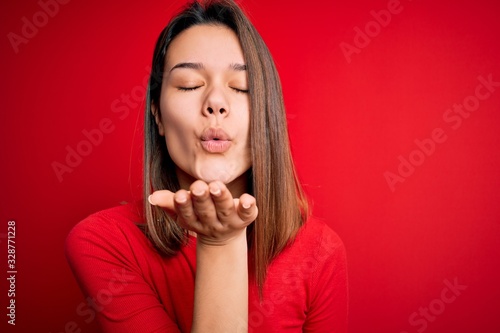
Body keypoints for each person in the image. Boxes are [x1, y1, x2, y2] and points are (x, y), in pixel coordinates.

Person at [65, 0, 348, 332]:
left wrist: (224, 238)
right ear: (156, 114)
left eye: (241, 87)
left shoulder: (321, 253)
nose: (216, 102)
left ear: (267, 113)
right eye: (189, 85)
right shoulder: (100, 242)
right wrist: (220, 242)